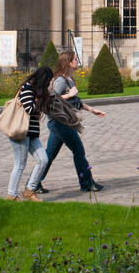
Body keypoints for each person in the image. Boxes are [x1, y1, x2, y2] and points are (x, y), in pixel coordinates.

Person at [35, 50, 106, 194]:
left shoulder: (69, 79)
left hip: (61, 123)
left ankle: (34, 183)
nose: (77, 62)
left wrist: (92, 110)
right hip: (60, 123)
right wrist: (68, 94)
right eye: (75, 59)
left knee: (50, 155)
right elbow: (50, 99)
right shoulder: (60, 80)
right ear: (68, 62)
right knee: (79, 151)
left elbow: (76, 102)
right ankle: (86, 183)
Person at [8, 66, 54, 201]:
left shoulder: (36, 90)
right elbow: (29, 108)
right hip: (20, 131)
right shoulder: (27, 87)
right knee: (20, 164)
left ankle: (30, 190)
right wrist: (40, 100)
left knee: (43, 160)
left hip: (32, 132)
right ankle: (11, 194)